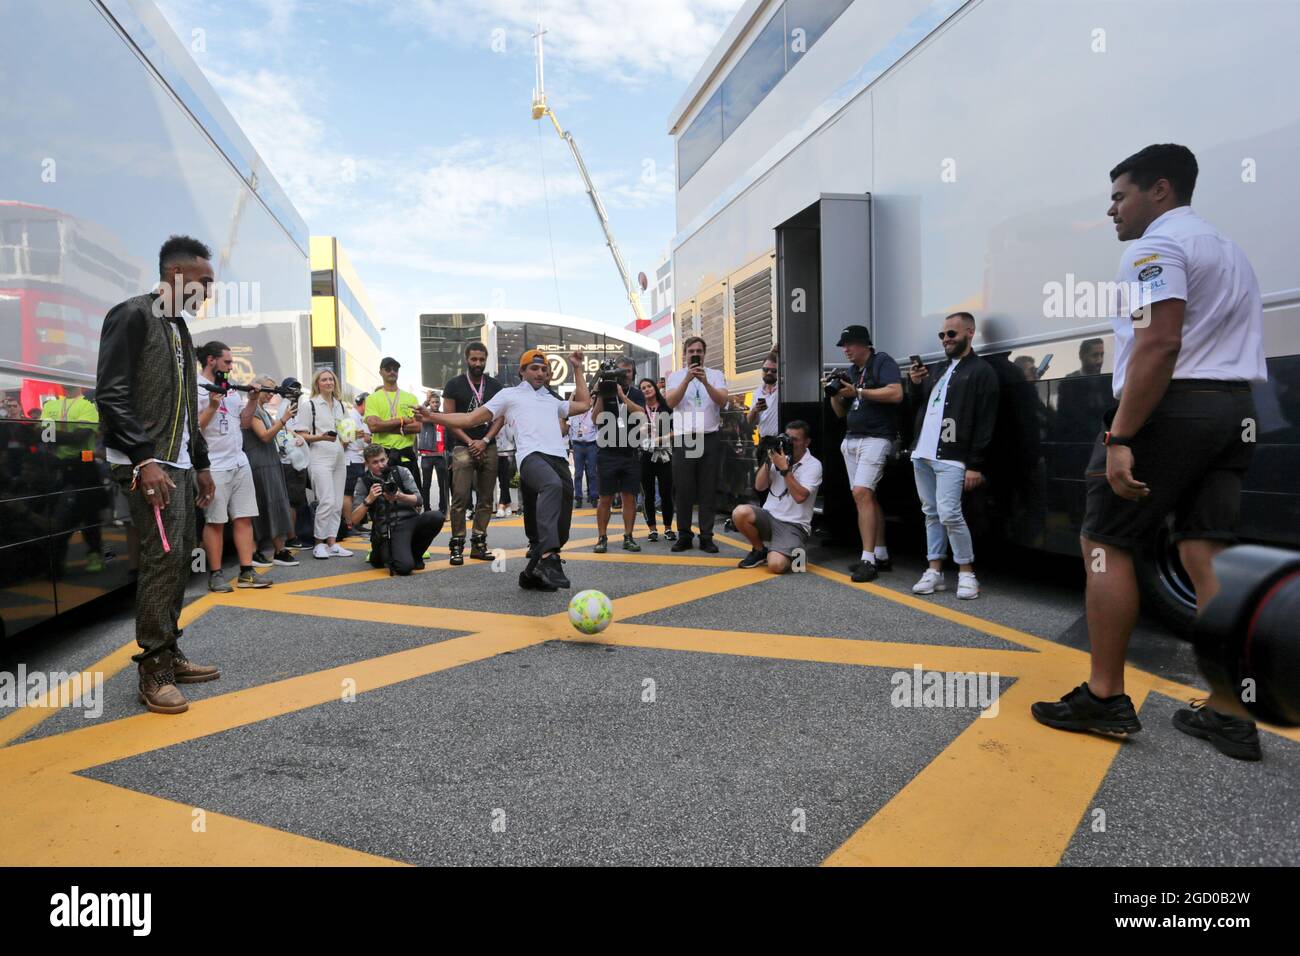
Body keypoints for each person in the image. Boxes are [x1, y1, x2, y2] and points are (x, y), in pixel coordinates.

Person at [1032, 144, 1269, 759]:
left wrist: (1122, 438)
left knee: (1106, 543)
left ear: (1159, 191)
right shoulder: (1231, 251)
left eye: (1119, 196)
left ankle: (1105, 696)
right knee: (1205, 549)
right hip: (1233, 408)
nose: (1111, 210)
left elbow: (1159, 345)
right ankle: (1229, 709)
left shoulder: (1155, 248)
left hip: (1172, 408)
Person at [96, 235, 220, 714]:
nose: (207, 292)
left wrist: (202, 464)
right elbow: (111, 393)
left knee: (176, 562)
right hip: (149, 464)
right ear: (176, 276)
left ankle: (169, 651)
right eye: (203, 282)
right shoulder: (131, 314)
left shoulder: (179, 328)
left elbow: (188, 407)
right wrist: (145, 459)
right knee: (160, 562)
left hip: (180, 464)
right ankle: (153, 672)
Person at [425, 349, 589, 591]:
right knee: (551, 485)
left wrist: (576, 367)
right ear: (522, 372)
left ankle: (533, 572)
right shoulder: (509, 395)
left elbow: (584, 404)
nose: (540, 373)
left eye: (544, 369)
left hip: (558, 459)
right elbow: (470, 419)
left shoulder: (553, 400)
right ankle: (548, 558)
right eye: (534, 368)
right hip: (531, 457)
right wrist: (432, 416)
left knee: (562, 524)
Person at [905, 312, 999, 600]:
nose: (946, 339)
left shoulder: (981, 371)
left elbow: (986, 420)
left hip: (952, 456)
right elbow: (920, 406)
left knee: (949, 514)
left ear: (970, 333)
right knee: (931, 514)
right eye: (942, 335)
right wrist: (915, 384)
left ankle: (967, 573)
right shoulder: (937, 369)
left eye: (952, 334)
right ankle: (934, 571)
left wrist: (975, 464)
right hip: (923, 453)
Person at [827, 326, 904, 583]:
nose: (846, 350)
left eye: (849, 344)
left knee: (861, 493)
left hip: (876, 438)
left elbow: (896, 393)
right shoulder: (852, 372)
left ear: (864, 344)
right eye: (844, 345)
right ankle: (880, 554)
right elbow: (840, 412)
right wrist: (834, 393)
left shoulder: (882, 361)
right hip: (852, 439)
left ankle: (867, 560)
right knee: (866, 496)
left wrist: (858, 392)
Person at [195, 340, 272, 593]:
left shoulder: (230, 388)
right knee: (215, 521)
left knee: (243, 518)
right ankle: (215, 575)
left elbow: (245, 423)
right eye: (227, 362)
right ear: (210, 360)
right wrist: (213, 406)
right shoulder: (196, 387)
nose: (230, 367)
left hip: (239, 461)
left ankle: (246, 572)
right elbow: (194, 429)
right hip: (213, 465)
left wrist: (251, 400)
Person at [732, 421, 823, 574]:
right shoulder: (781, 457)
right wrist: (768, 461)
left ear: (807, 442)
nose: (790, 443)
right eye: (787, 438)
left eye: (795, 439)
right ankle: (760, 550)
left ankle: (797, 553)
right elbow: (760, 486)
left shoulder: (813, 465)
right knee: (739, 513)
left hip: (794, 524)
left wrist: (785, 469)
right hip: (769, 517)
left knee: (776, 566)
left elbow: (800, 497)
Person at [665, 336, 729, 552]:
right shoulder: (675, 377)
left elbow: (722, 400)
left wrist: (705, 382)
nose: (695, 354)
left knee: (707, 490)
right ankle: (684, 535)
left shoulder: (716, 375)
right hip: (685, 438)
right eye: (691, 351)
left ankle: (706, 536)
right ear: (685, 354)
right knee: (683, 490)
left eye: (699, 351)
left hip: (709, 436)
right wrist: (687, 380)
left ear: (704, 353)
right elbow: (671, 402)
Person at [441, 342, 503, 565]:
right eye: (474, 359)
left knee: (486, 499)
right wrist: (470, 442)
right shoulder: (453, 385)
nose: (478, 363)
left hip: (489, 445)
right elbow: (448, 419)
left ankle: (479, 542)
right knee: (460, 498)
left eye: (481, 359)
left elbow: (500, 417)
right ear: (466, 359)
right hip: (462, 446)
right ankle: (457, 544)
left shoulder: (495, 386)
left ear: (486, 360)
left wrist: (485, 441)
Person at [350, 444, 444, 576]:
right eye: (375, 462)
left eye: (382, 460)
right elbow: (354, 519)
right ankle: (386, 554)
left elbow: (419, 500)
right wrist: (369, 500)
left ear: (387, 458)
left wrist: (400, 496)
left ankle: (416, 555)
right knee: (404, 568)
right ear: (367, 464)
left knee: (436, 517)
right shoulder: (364, 482)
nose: (381, 465)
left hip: (410, 520)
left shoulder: (400, 472)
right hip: (388, 529)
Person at [295, 369, 352, 560]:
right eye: (324, 379)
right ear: (317, 384)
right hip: (319, 457)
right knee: (326, 500)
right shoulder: (309, 405)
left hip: (339, 457)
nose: (328, 382)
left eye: (331, 379)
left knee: (336, 503)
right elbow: (300, 434)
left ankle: (332, 542)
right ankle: (318, 543)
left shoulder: (340, 405)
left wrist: (349, 437)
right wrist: (321, 437)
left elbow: (346, 432)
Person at [593, 356, 647, 553]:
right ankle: (601, 537)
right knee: (605, 497)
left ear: (633, 374)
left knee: (629, 497)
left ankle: (628, 536)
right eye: (621, 371)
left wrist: (622, 397)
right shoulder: (605, 392)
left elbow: (641, 414)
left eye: (628, 371)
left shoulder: (637, 393)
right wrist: (600, 394)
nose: (624, 374)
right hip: (607, 452)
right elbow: (595, 418)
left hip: (630, 452)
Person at [245, 376, 298, 567]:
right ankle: (257, 551)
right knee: (262, 506)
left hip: (270, 463)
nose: (271, 394)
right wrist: (284, 420)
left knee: (275, 504)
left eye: (273, 390)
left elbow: (273, 435)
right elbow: (265, 436)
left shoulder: (263, 411)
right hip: (259, 465)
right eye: (267, 390)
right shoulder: (252, 411)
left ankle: (278, 549)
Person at [363, 356, 422, 498]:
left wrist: (385, 425)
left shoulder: (411, 398)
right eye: (388, 369)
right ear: (381, 372)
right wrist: (402, 420)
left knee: (414, 501)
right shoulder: (373, 398)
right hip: (383, 460)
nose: (392, 371)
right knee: (383, 503)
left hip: (406, 458)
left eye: (395, 369)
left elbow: (417, 427)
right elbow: (374, 426)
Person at [638, 377, 675, 541]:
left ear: (655, 388)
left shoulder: (667, 407)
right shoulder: (639, 409)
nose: (646, 389)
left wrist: (661, 439)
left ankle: (668, 528)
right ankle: (652, 529)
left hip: (665, 454)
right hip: (645, 454)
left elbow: (677, 431)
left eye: (649, 386)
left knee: (667, 492)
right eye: (643, 388)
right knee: (648, 494)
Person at [277, 376, 309, 549]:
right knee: (292, 502)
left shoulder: (295, 407)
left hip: (296, 458)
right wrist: (296, 437)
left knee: (295, 501)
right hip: (290, 460)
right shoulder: (285, 407)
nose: (295, 392)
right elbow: (282, 431)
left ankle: (293, 535)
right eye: (291, 389)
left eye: (297, 389)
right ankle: (291, 537)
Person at [342, 391, 372, 537]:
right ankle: (349, 524)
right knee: (348, 494)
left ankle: (357, 522)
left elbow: (366, 438)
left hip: (359, 460)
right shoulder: (350, 416)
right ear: (362, 403)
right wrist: (357, 435)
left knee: (357, 494)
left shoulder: (361, 418)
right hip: (351, 460)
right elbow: (345, 441)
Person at [567, 404, 599, 509]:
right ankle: (578, 498)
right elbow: (570, 430)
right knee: (578, 473)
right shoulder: (573, 414)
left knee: (592, 472)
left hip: (591, 444)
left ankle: (594, 496)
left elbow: (597, 429)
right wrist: (572, 444)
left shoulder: (593, 413)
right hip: (578, 445)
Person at [495, 415, 517, 517]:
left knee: (504, 481)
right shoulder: (492, 417)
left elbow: (511, 436)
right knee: (499, 481)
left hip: (508, 452)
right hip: (494, 451)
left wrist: (506, 424)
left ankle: (501, 505)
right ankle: (507, 504)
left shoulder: (510, 418)